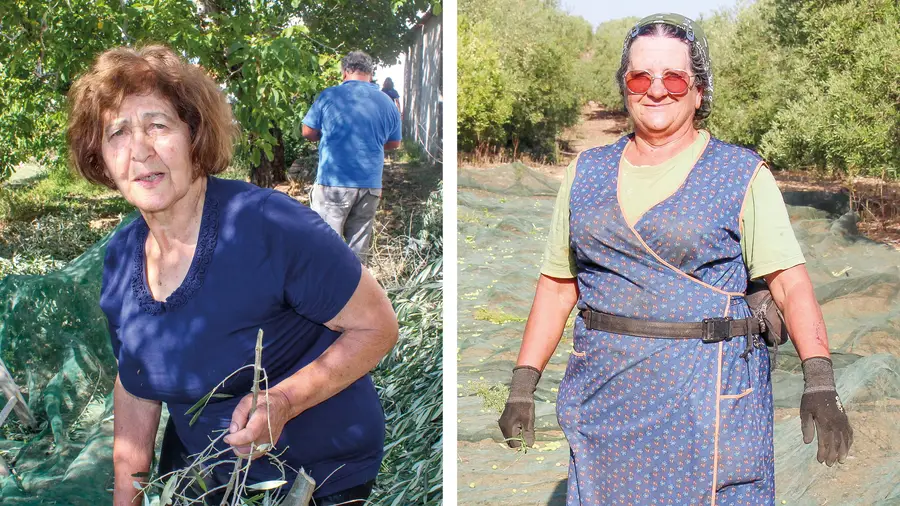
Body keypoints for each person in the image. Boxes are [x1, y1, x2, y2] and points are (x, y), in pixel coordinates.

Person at [498, 13, 853, 506]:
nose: (656, 90)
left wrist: (819, 378)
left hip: (707, 404)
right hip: (607, 402)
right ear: (625, 86)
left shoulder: (740, 174)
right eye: (641, 77)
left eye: (674, 78)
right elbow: (558, 288)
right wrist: (522, 384)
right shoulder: (586, 173)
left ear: (698, 90)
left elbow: (790, 283)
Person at [66, 45, 399, 506]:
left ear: (194, 136)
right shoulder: (122, 259)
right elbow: (135, 382)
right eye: (117, 132)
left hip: (312, 476)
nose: (140, 150)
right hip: (205, 477)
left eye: (158, 125)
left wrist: (283, 401)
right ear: (100, 158)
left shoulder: (268, 225)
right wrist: (129, 497)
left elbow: (378, 326)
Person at [302, 51, 402, 263]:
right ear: (371, 73)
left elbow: (307, 132)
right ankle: (357, 293)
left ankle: (327, 294)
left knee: (326, 248)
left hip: (334, 184)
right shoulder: (387, 102)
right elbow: (395, 143)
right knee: (358, 252)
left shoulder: (330, 96)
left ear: (345, 71)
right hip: (370, 185)